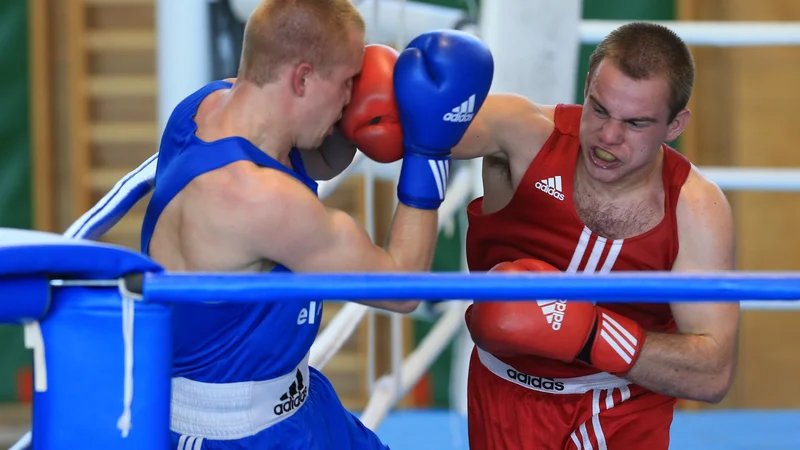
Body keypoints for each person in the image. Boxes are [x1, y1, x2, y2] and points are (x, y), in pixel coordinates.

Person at [139, 0, 494, 448]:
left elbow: (316, 161)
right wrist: (429, 150)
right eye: (348, 83)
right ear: (302, 77)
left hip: (300, 399)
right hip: (235, 433)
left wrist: (368, 113)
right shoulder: (257, 200)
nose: (351, 97)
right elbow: (404, 289)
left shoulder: (210, 105)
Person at [453, 22, 738, 449]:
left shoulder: (695, 208)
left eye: (636, 123)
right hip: (503, 395)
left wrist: (591, 334)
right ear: (586, 86)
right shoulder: (524, 135)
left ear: (675, 124)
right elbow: (410, 130)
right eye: (600, 109)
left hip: (623, 405)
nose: (608, 137)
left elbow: (713, 373)